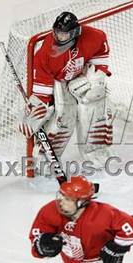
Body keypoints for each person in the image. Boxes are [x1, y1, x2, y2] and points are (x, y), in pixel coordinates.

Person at [18, 11, 114, 172]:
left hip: (81, 76)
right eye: (57, 33)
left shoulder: (94, 36)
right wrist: (39, 106)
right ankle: (47, 158)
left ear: (75, 32)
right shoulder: (45, 52)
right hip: (59, 82)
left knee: (95, 105)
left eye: (64, 34)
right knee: (63, 119)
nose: (59, 37)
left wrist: (94, 79)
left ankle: (97, 152)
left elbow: (100, 55)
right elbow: (42, 87)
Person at [29, 176, 133, 262]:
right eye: (61, 196)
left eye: (68, 199)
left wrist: (117, 247)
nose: (61, 202)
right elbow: (36, 239)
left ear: (82, 202)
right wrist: (41, 246)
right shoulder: (50, 211)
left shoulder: (103, 214)